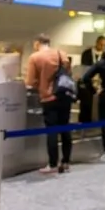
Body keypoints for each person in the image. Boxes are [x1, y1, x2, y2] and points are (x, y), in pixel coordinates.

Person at [25, 34, 73, 174]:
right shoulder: (61, 54)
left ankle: (53, 164)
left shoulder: (35, 57)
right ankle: (66, 162)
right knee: (65, 128)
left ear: (37, 43)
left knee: (52, 130)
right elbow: (68, 73)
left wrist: (41, 83)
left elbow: (30, 82)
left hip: (48, 97)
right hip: (64, 96)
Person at [78, 35, 105, 123]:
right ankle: (85, 122)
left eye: (104, 45)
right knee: (86, 104)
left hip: (101, 83)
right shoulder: (86, 53)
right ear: (97, 43)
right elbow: (84, 68)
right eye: (101, 44)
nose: (102, 47)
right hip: (88, 82)